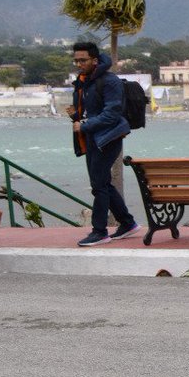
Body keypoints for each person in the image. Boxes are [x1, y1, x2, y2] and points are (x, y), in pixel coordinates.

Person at [68, 41, 139, 247]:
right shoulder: (84, 82)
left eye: (83, 60)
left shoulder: (109, 81)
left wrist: (85, 125)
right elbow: (88, 112)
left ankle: (100, 231)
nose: (79, 63)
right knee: (103, 183)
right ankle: (127, 223)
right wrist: (76, 117)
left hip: (108, 138)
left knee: (98, 185)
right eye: (76, 60)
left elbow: (112, 113)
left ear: (94, 60)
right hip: (92, 138)